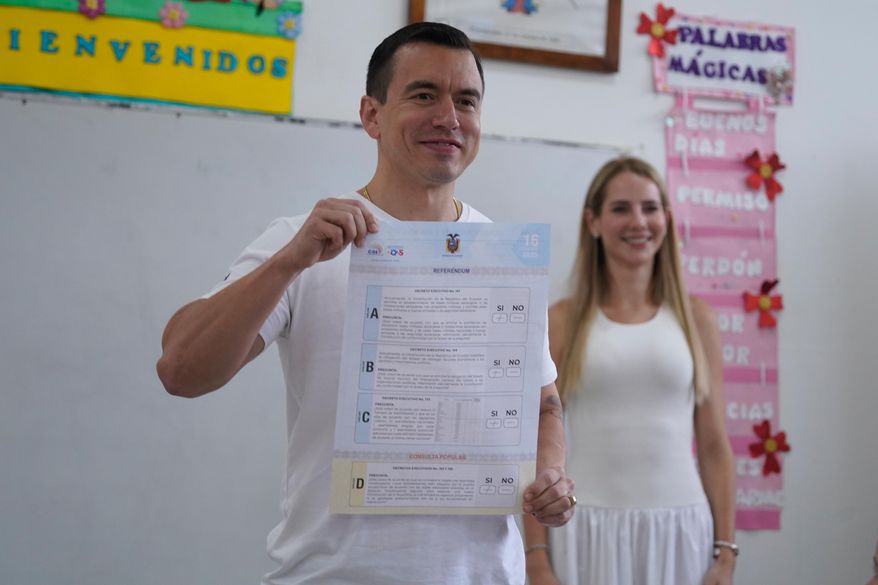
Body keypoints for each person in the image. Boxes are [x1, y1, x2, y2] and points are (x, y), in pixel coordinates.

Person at [157, 22, 575, 585]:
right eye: (424, 94)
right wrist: (288, 262)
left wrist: (550, 472)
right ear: (371, 115)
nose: (449, 117)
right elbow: (181, 370)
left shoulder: (504, 257)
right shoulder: (305, 241)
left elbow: (545, 405)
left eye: (466, 101)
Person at [523, 157, 737, 585]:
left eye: (650, 208)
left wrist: (726, 554)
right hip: (586, 532)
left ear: (666, 219)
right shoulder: (561, 321)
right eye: (621, 208)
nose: (638, 221)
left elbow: (714, 445)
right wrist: (537, 559)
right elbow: (534, 448)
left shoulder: (698, 320)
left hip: (682, 531)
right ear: (594, 222)